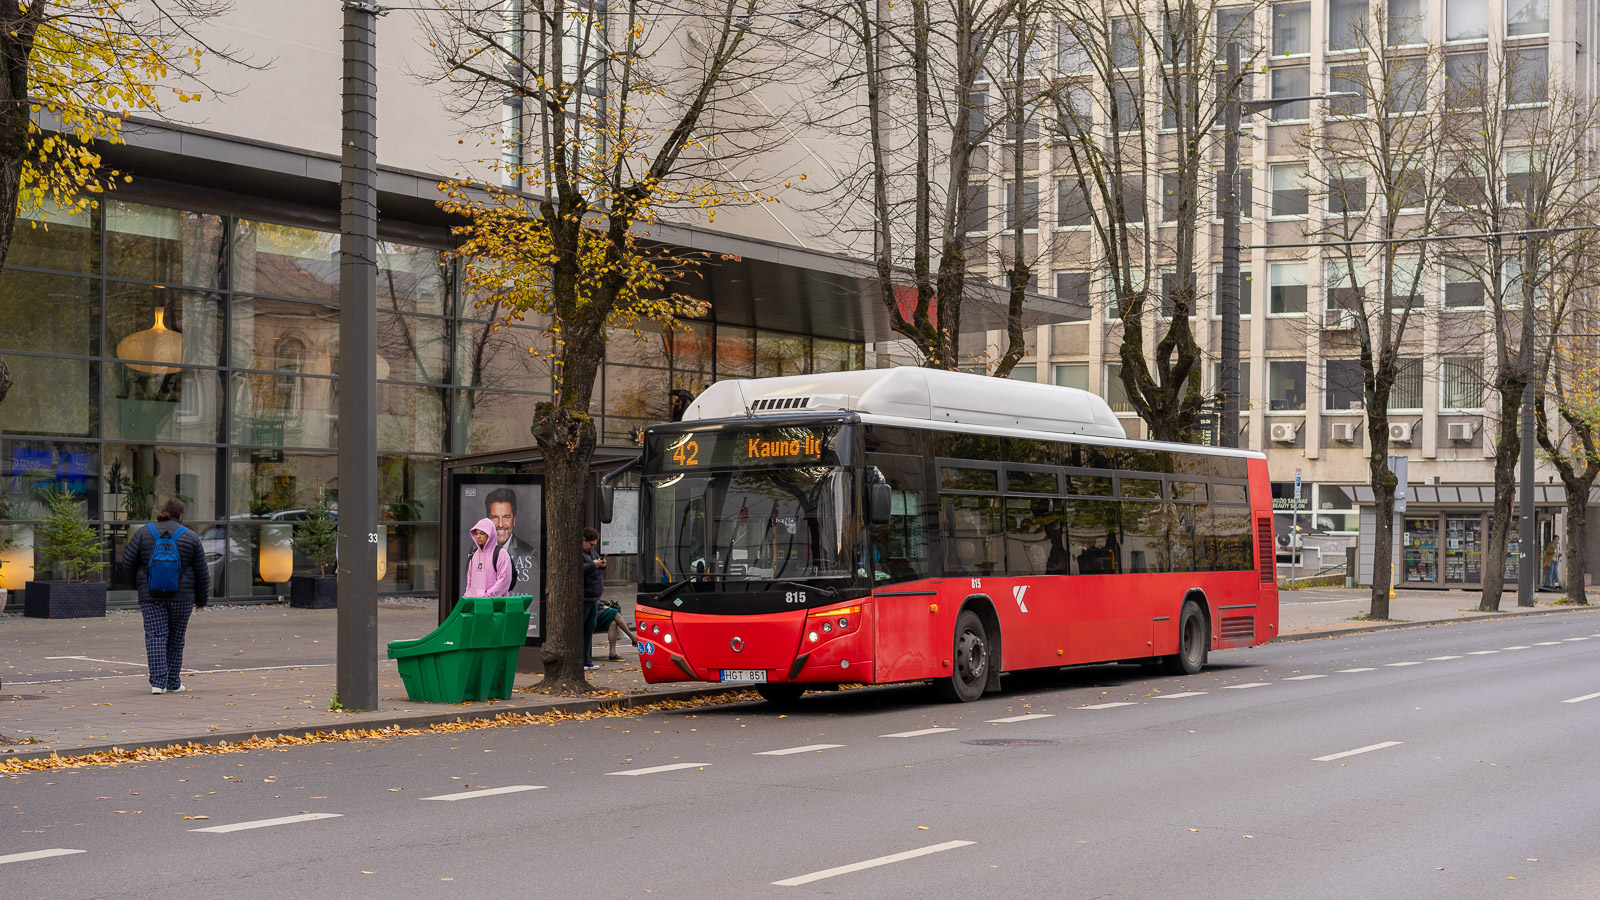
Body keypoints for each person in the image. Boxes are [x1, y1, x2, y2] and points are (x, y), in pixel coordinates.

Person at [120, 498, 209, 695]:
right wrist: (201, 600)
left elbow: (127, 562)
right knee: (176, 640)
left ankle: (158, 683)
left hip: (151, 595)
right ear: (181, 515)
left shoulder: (143, 532)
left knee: (156, 636)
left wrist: (139, 585)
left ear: (163, 511)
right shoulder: (191, 537)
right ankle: (173, 682)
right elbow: (202, 571)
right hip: (182, 597)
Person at [484, 487, 537, 591]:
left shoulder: (529, 553)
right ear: (488, 521)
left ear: (514, 521)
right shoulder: (475, 552)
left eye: (506, 517)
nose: (500, 524)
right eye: (495, 517)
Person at [464, 518, 514, 598]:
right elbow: (469, 580)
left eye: (482, 533)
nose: (478, 536)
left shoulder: (501, 554)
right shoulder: (474, 555)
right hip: (475, 604)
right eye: (477, 533)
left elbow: (504, 580)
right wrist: (467, 596)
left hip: (494, 605)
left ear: (490, 534)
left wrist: (487, 596)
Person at [582, 527, 606, 670]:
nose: (592, 547)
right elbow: (579, 568)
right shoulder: (578, 552)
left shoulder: (591, 552)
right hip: (584, 597)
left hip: (593, 597)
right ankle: (581, 659)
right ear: (583, 540)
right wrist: (593, 564)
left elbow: (596, 562)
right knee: (582, 628)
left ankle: (586, 659)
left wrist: (601, 564)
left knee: (590, 627)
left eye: (594, 545)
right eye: (590, 544)